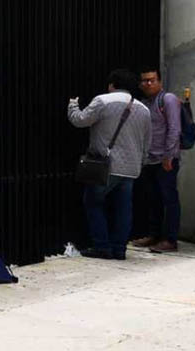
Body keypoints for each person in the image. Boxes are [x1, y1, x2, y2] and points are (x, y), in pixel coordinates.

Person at [67, 69, 152, 260]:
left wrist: (72, 105)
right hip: (131, 169)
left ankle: (102, 246)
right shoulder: (143, 109)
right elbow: (147, 142)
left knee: (93, 202)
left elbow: (80, 121)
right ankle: (119, 249)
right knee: (124, 209)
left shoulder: (103, 101)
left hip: (106, 166)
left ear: (112, 84)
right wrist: (142, 163)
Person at [132, 68, 183, 253]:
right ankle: (154, 235)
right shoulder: (145, 103)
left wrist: (169, 156)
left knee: (169, 199)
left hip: (166, 160)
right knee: (153, 199)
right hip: (150, 160)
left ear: (160, 82)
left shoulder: (167, 99)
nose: (148, 84)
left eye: (152, 80)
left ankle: (170, 240)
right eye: (144, 81)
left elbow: (174, 129)